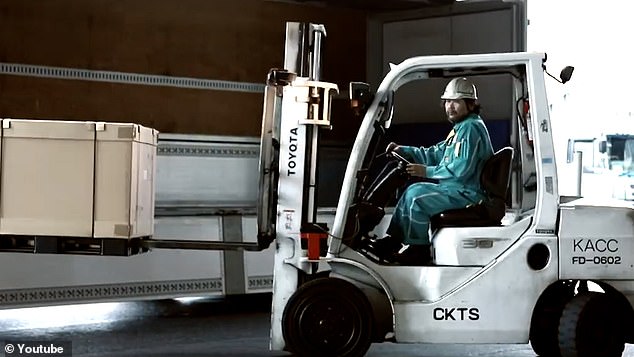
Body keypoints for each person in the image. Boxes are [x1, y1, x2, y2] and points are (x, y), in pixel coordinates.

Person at [365, 77, 494, 265]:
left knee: (416, 196)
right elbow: (435, 153)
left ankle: (419, 250)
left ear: (470, 104)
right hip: (457, 188)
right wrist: (404, 150)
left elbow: (460, 168)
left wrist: (425, 172)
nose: (450, 106)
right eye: (448, 101)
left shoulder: (470, 128)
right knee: (411, 191)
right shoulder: (461, 128)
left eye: (456, 102)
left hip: (468, 193)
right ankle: (394, 241)